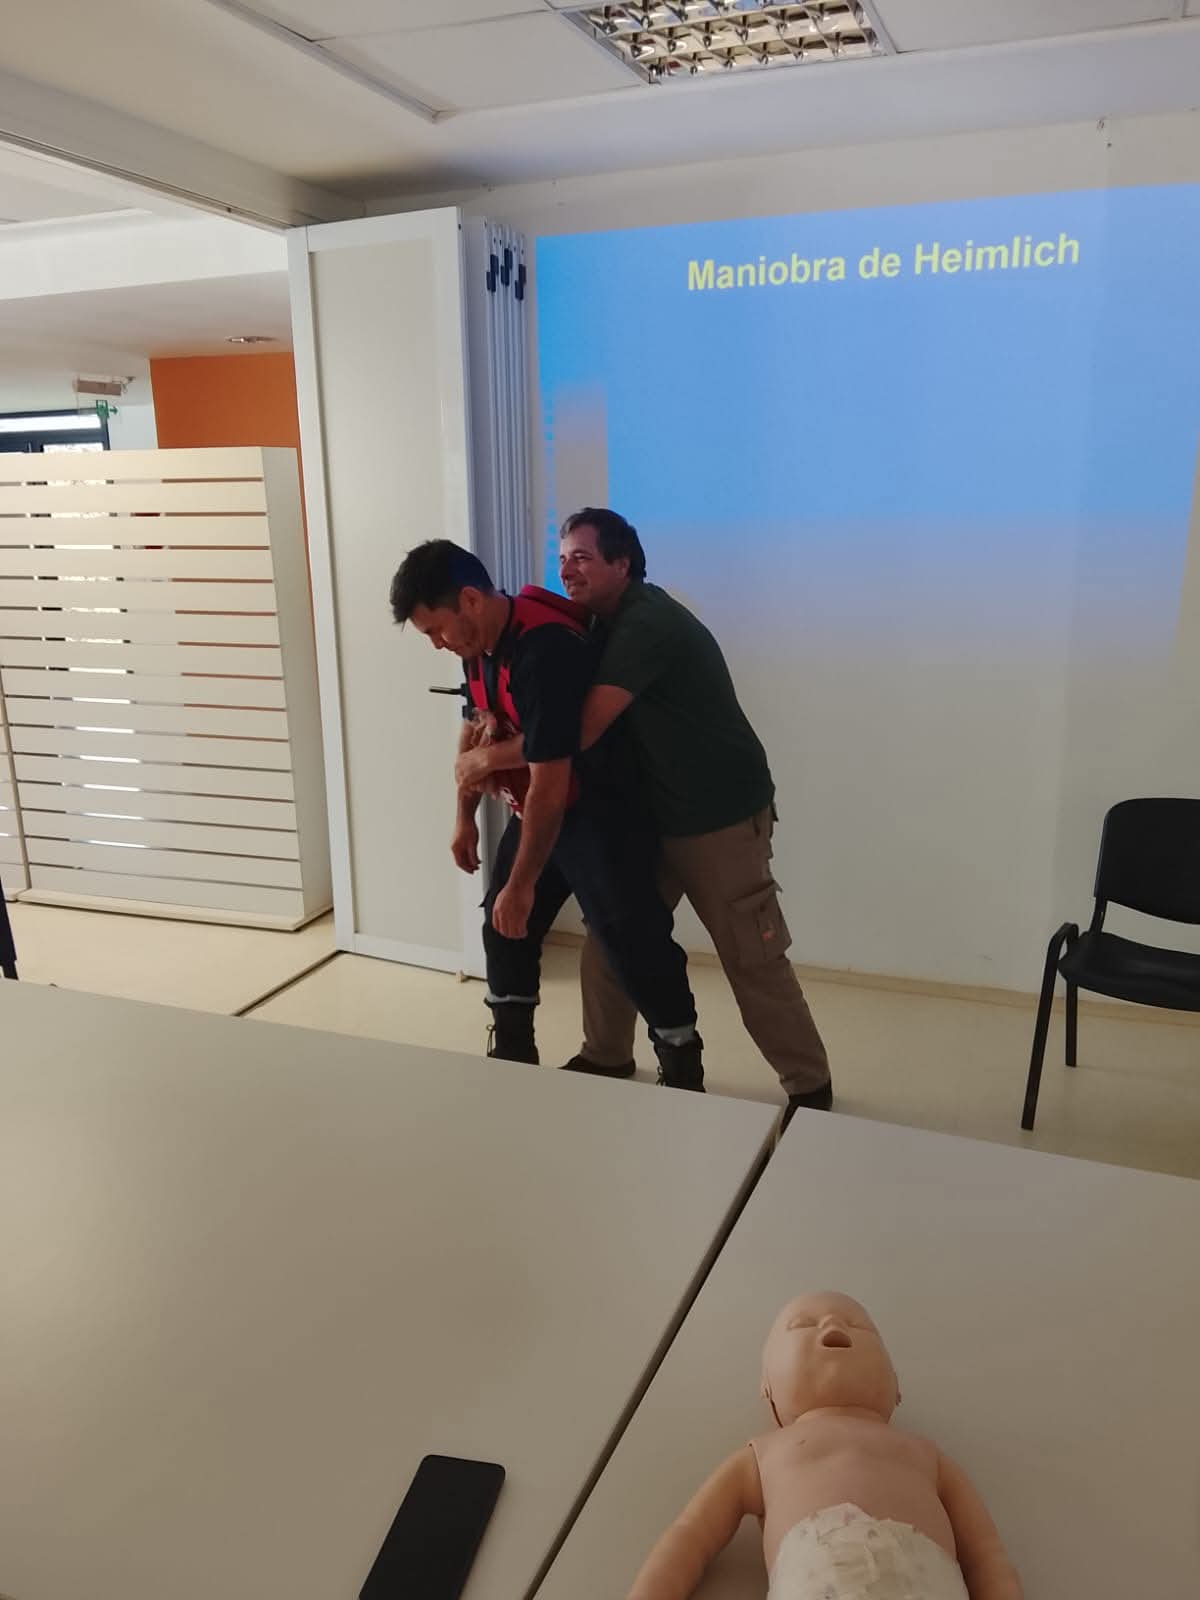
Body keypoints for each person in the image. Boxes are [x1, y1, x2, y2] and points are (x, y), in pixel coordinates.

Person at [460, 510, 831, 1124]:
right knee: (618, 935)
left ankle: (809, 1086)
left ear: (623, 563)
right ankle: (606, 1056)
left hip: (715, 818)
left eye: (582, 557)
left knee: (751, 956)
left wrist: (484, 760)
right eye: (562, 557)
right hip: (652, 813)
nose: (566, 569)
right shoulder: (594, 623)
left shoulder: (646, 624)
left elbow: (576, 731)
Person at [389, 539, 705, 1087]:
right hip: (536, 804)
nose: (437, 644)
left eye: (435, 629)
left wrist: (522, 885)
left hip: (598, 810)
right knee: (503, 927)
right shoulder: (476, 644)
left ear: (470, 600)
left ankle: (682, 1064)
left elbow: (553, 783)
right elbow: (477, 727)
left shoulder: (545, 650)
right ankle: (514, 1059)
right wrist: (464, 818)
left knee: (630, 937)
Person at [627, 1291, 1022, 1599]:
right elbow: (690, 1536)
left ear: (897, 1387)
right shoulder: (763, 1456)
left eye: (859, 1326)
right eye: (802, 1325)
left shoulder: (926, 1456)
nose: (832, 1324)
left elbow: (986, 1555)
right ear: (767, 1390)